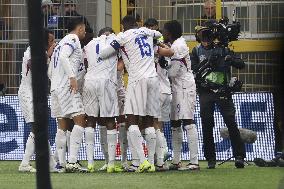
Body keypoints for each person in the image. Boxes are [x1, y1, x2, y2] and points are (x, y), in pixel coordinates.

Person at [100, 15, 162, 173]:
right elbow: (158, 35)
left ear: (123, 26)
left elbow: (103, 53)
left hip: (137, 80)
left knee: (131, 120)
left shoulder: (123, 36)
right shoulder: (148, 31)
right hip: (153, 79)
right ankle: (151, 163)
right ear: (137, 24)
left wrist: (113, 42)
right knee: (149, 121)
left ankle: (141, 162)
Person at [191, 26, 246, 169]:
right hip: (205, 92)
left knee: (231, 123)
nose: (205, 40)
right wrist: (205, 68)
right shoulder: (196, 51)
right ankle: (210, 158)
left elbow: (241, 64)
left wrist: (230, 59)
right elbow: (193, 70)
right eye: (203, 37)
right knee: (207, 125)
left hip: (223, 90)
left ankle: (239, 156)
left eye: (208, 36)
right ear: (198, 37)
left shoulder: (223, 49)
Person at [157, 20, 200, 171]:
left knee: (188, 121)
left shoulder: (179, 45)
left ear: (169, 32)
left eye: (164, 30)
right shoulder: (174, 44)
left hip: (185, 87)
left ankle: (194, 161)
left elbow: (173, 71)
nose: (162, 32)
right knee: (175, 124)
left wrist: (162, 65)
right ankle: (176, 161)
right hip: (175, 87)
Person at [82, 27, 122, 173]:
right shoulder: (115, 40)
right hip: (106, 81)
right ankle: (111, 164)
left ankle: (91, 164)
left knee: (91, 120)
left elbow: (85, 63)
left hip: (90, 81)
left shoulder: (89, 44)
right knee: (110, 120)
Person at [49, 17, 87, 173]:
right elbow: (65, 57)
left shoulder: (58, 45)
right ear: (79, 28)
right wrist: (71, 77)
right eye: (84, 28)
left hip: (55, 87)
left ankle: (61, 163)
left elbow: (50, 70)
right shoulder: (73, 39)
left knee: (62, 124)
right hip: (67, 86)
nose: (85, 31)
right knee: (80, 118)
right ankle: (72, 162)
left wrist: (56, 83)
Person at [18, 28, 57, 173]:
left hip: (37, 95)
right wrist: (48, 55)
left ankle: (51, 165)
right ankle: (25, 163)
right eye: (51, 40)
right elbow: (33, 65)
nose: (53, 42)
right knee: (37, 129)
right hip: (28, 94)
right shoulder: (32, 51)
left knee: (40, 129)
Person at [144, 18, 171, 171]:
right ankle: (161, 160)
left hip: (155, 89)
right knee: (159, 124)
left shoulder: (148, 46)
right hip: (167, 89)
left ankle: (161, 155)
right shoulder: (165, 45)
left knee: (152, 124)